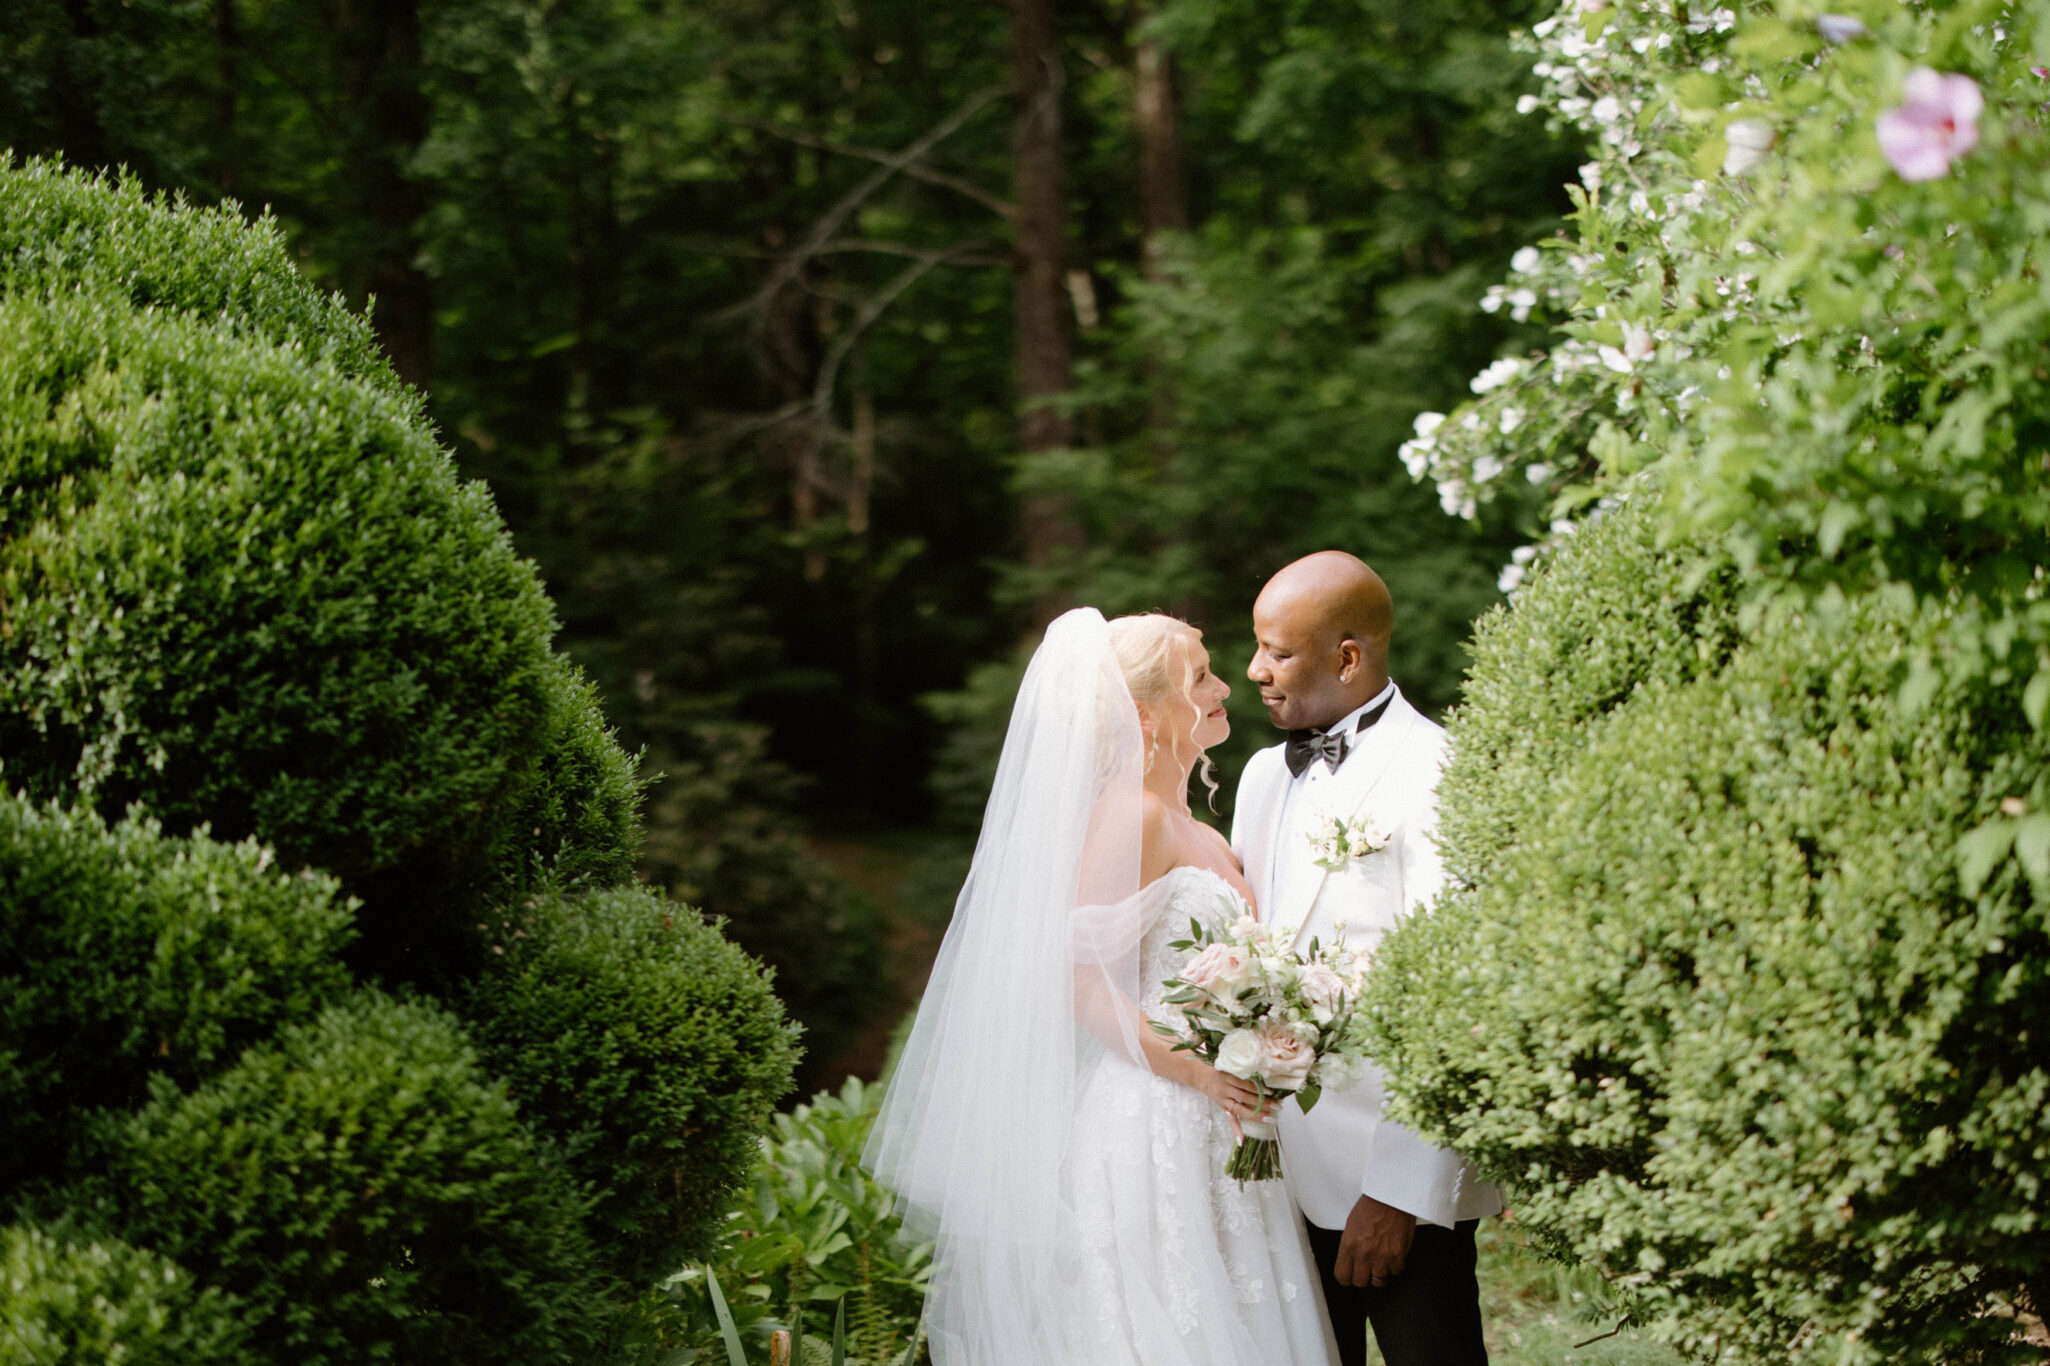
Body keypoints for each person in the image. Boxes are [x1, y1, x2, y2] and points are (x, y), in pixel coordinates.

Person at [867, 608, 1338, 1366]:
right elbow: (1080, 984)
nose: (1226, 685)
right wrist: (1200, 1071)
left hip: (1226, 1119)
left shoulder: (1204, 829)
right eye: (1200, 677)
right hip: (1155, 1115)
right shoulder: (1131, 816)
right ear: (1145, 715)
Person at [1231, 551, 1502, 1366]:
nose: (1253, 670)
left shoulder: (1440, 770)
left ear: (1347, 657)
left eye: (1277, 651)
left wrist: (1399, 1191)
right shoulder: (1259, 778)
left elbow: (1457, 995)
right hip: (1273, 1178)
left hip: (1393, 1189)